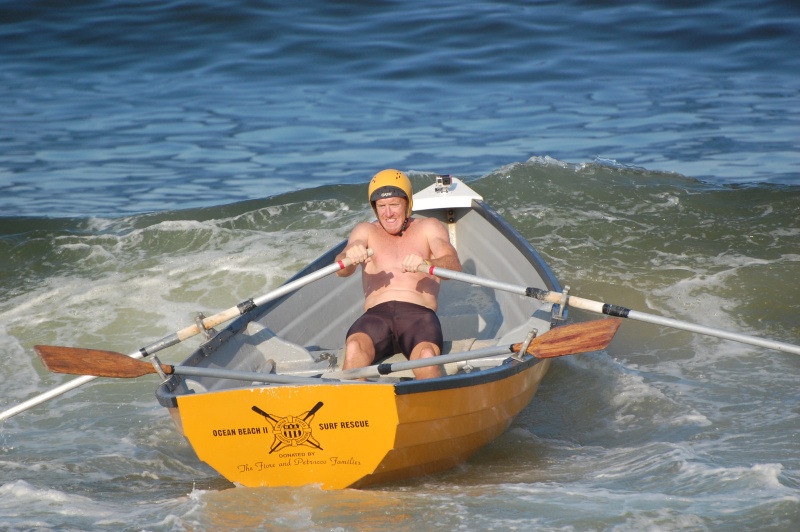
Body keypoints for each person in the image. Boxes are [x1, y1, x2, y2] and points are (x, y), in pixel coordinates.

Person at [336, 169, 462, 379]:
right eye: (381, 206)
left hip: (418, 316)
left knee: (426, 356)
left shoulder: (429, 227)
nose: (388, 213)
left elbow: (454, 266)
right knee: (354, 348)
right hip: (376, 317)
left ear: (407, 204)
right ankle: (355, 398)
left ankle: (431, 399)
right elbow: (342, 270)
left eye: (394, 204)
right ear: (375, 208)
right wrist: (349, 256)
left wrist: (427, 263)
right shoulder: (365, 230)